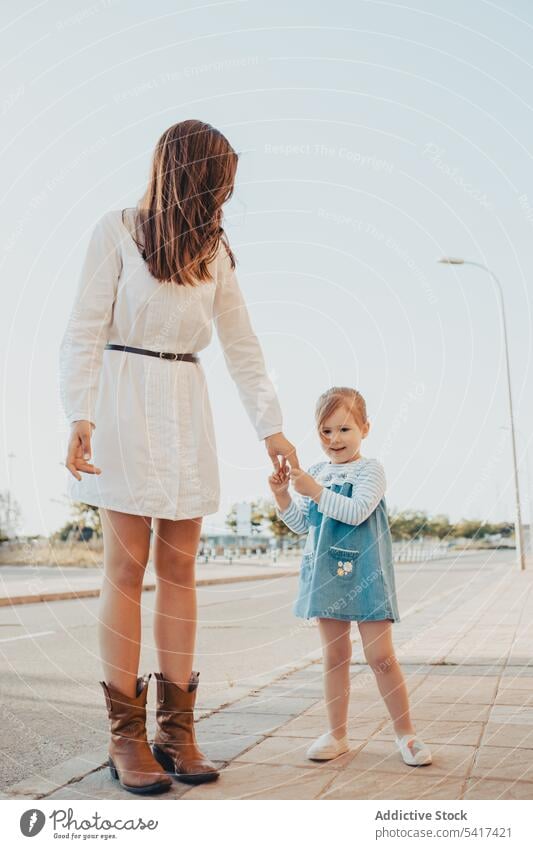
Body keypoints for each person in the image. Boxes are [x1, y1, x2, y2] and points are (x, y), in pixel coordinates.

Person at [59, 119, 299, 795]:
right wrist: (78, 412)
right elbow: (82, 328)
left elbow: (243, 345)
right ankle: (125, 736)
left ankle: (178, 731)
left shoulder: (214, 251)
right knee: (126, 568)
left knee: (180, 567)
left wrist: (270, 427)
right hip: (123, 401)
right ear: (192, 172)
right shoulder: (115, 229)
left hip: (185, 402)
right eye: (220, 177)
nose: (226, 190)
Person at [268, 386, 432, 767]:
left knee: (381, 656)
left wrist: (314, 489)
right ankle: (337, 734)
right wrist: (283, 497)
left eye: (344, 429)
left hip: (366, 574)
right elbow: (304, 525)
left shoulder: (370, 470)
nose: (335, 439)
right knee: (335, 657)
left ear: (365, 429)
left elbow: (356, 511)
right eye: (326, 431)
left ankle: (406, 733)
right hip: (327, 575)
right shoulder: (318, 473)